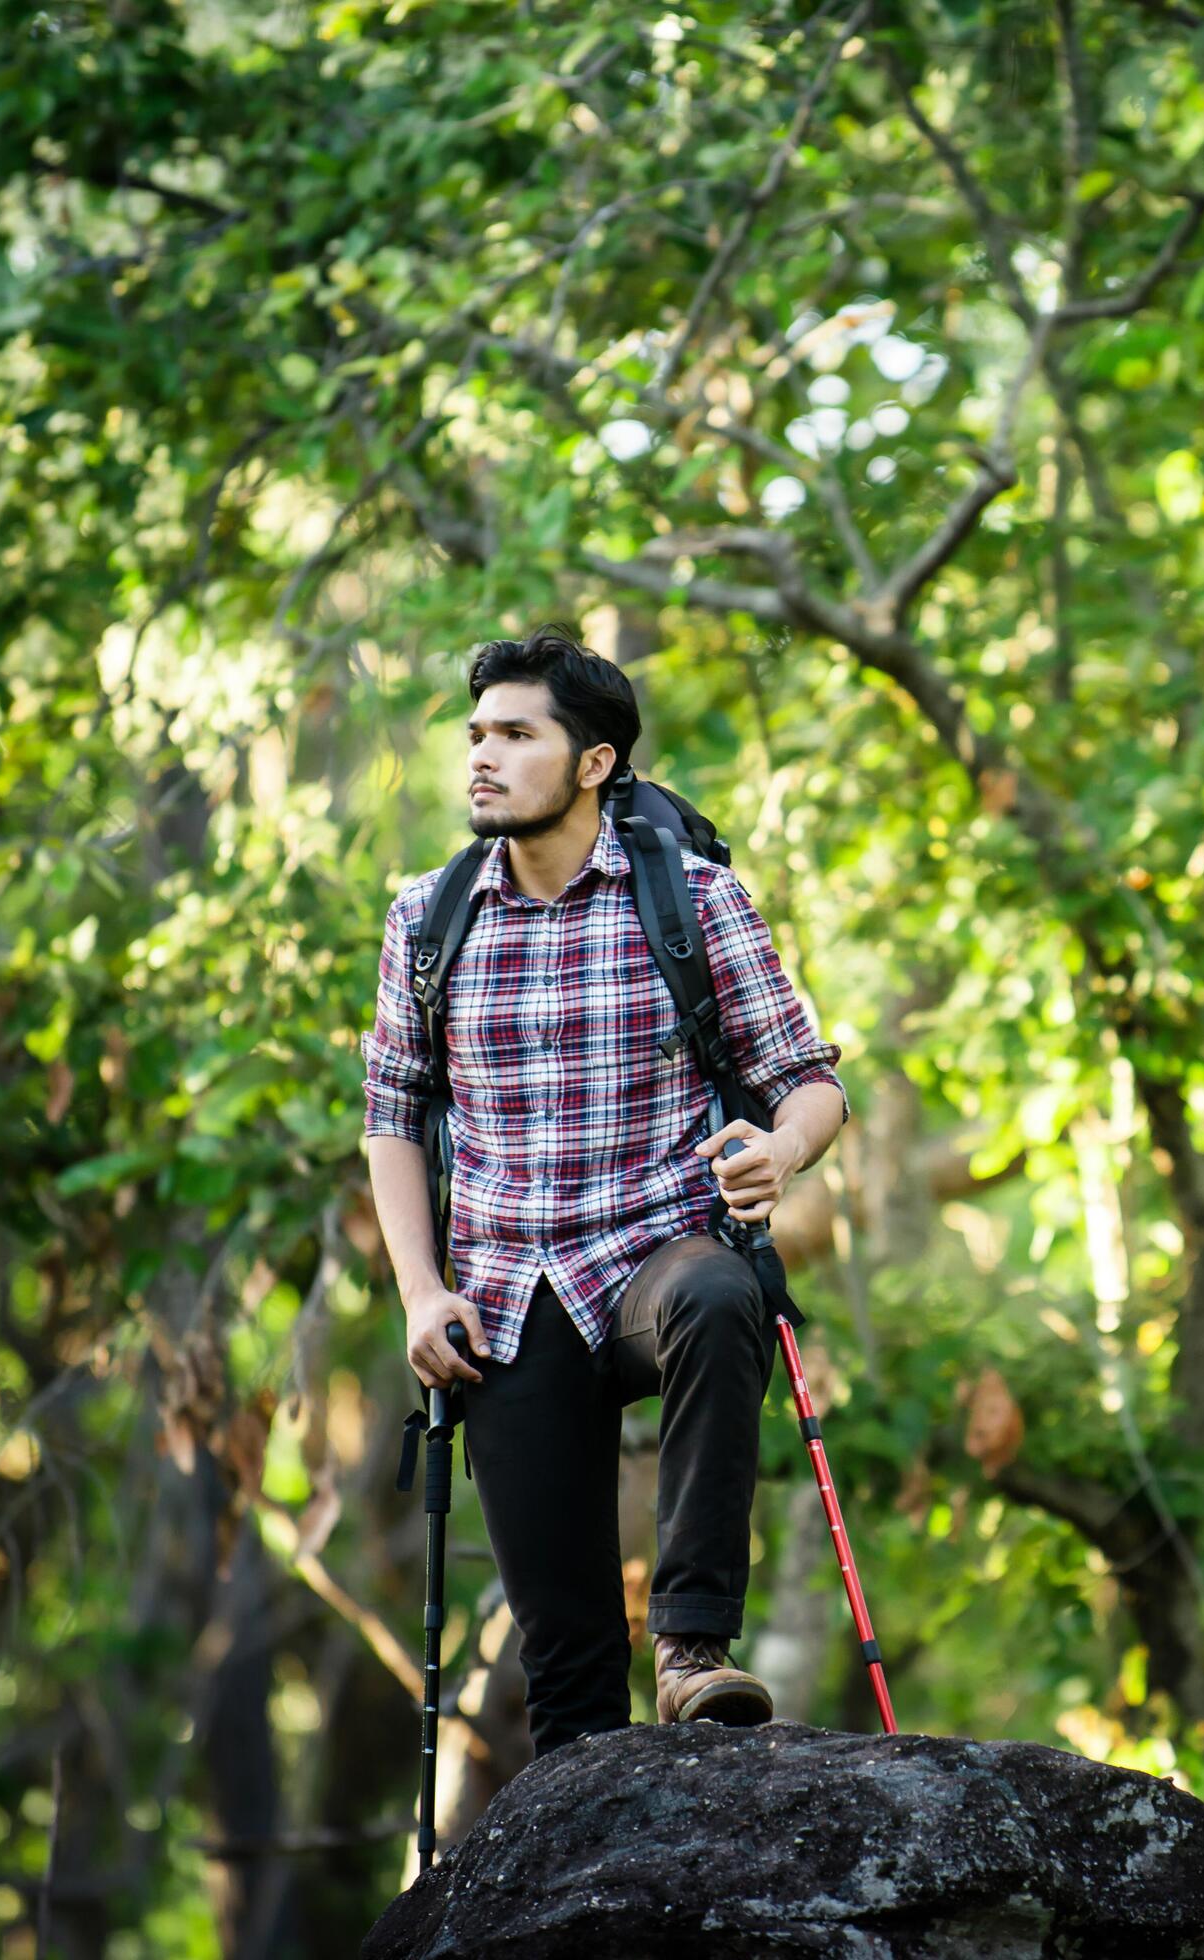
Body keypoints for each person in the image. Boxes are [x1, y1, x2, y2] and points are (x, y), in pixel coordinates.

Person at [359, 626, 850, 1751]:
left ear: (594, 762)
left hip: (650, 1259)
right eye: (476, 733)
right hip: (503, 1305)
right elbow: (393, 1115)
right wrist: (418, 1293)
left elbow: (811, 1083)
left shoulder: (693, 901)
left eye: (516, 735)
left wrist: (785, 1149)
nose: (481, 756)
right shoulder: (426, 921)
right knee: (570, 1685)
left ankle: (691, 1650)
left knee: (723, 1296)